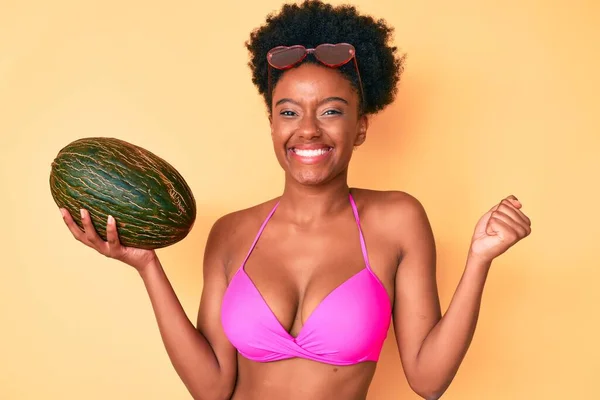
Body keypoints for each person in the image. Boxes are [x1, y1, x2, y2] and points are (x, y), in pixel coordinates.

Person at [59, 1, 532, 399]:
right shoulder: (231, 232)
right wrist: (146, 264)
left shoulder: (398, 220)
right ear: (272, 125)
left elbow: (428, 380)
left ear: (361, 126)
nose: (307, 129)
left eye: (331, 111)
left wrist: (479, 260)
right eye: (288, 111)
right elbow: (213, 388)